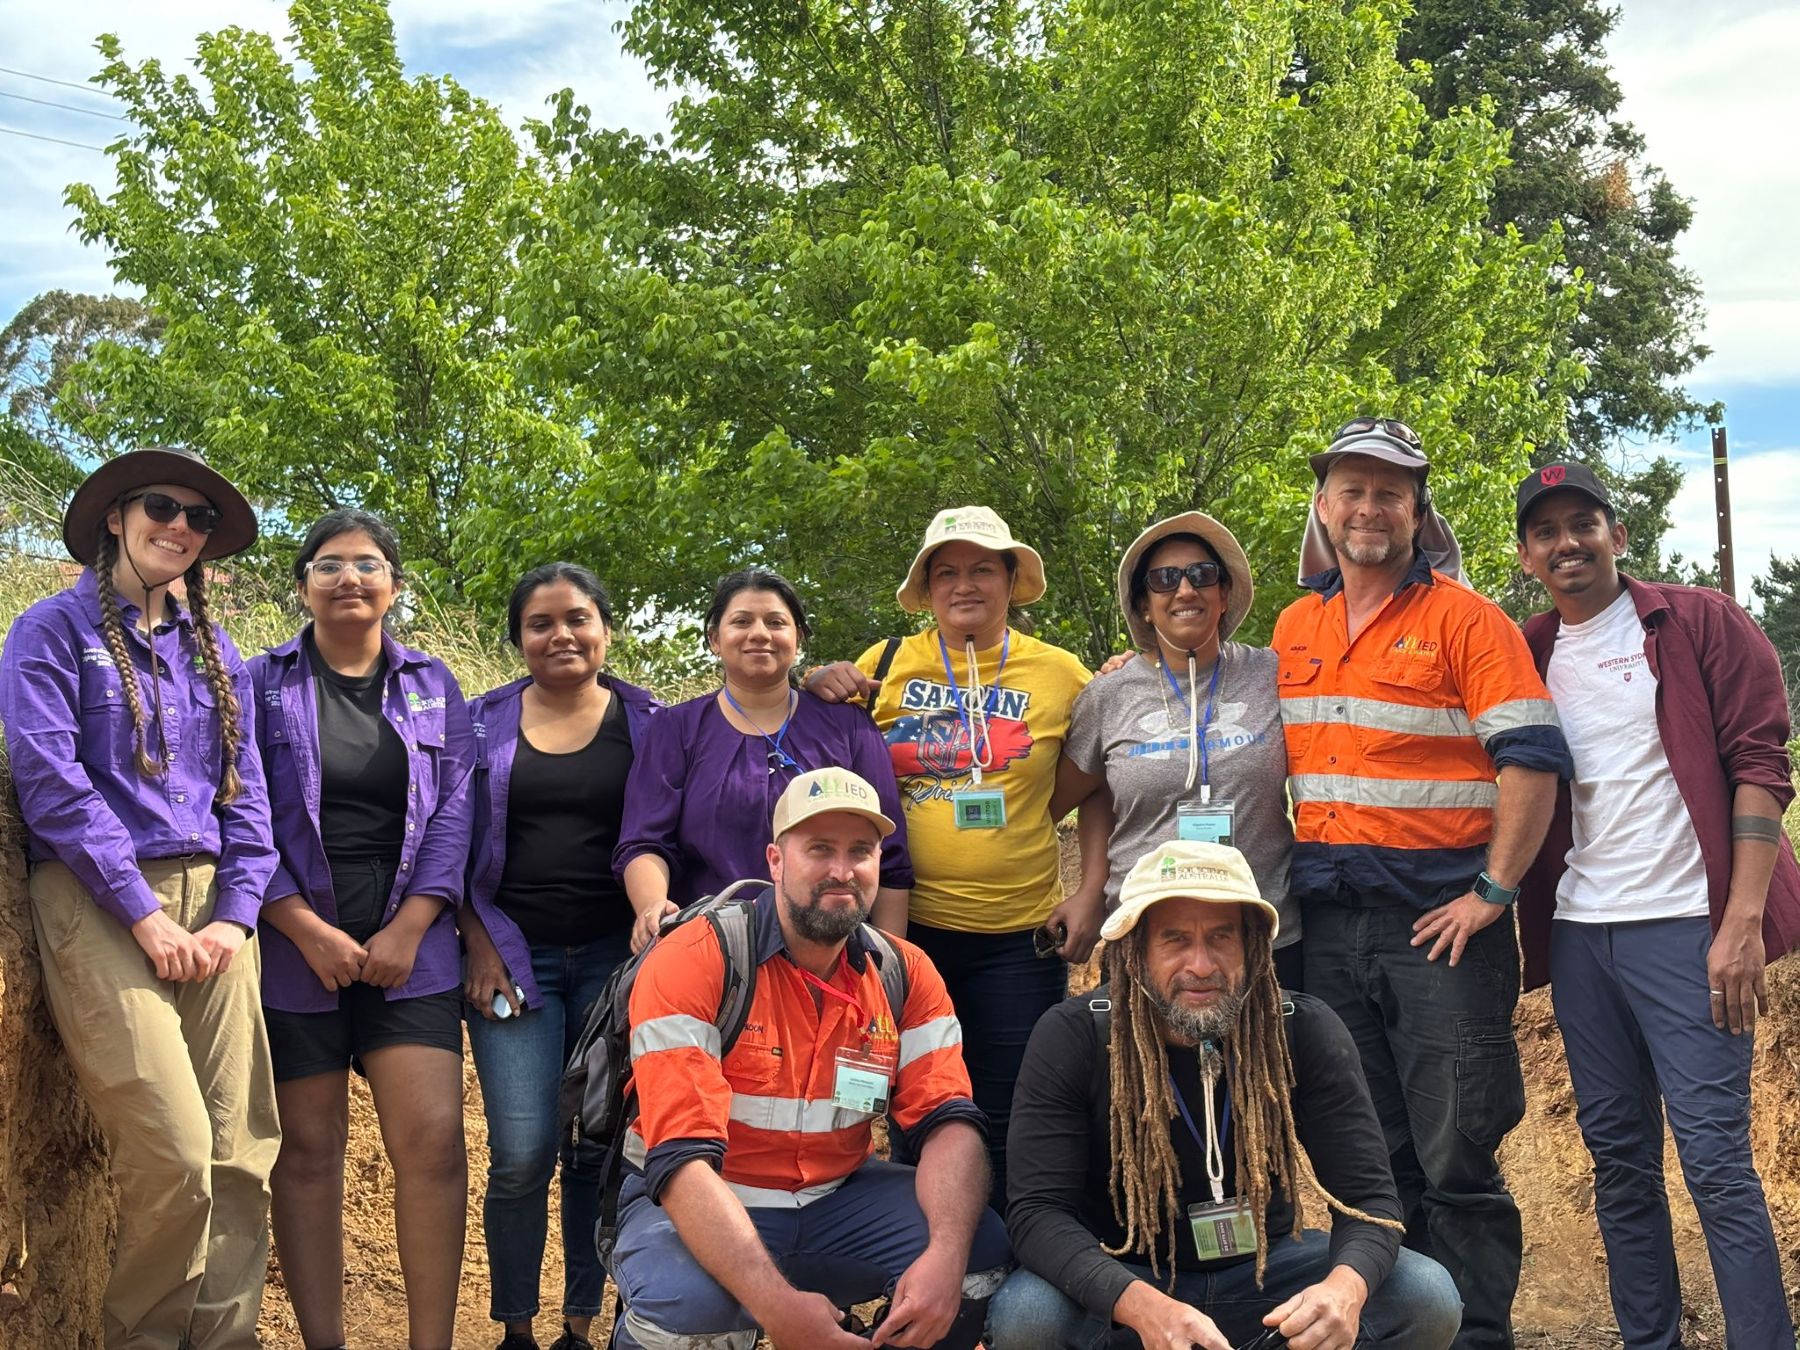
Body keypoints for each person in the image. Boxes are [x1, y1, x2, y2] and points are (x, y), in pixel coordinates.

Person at [1270, 417, 1572, 1350]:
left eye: (1390, 494)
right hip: (1327, 925)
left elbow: (1532, 757)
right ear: (1324, 506)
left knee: (1457, 1158)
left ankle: (1475, 1336)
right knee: (1367, 1152)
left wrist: (1493, 891)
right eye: (1352, 490)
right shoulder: (1295, 625)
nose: (1369, 508)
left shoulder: (1466, 620)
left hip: (1441, 928)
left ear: (1417, 511)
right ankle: (1399, 1328)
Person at [1513, 462, 1800, 1350]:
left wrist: (1741, 925)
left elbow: (1762, 766)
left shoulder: (1700, 621)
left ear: (1618, 534)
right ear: (1526, 556)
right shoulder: (1525, 653)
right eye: (1546, 531)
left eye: (1583, 523)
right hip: (1579, 935)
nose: (1567, 543)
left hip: (1688, 930)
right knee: (1620, 1164)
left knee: (1715, 1163)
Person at [0, 448, 278, 1350]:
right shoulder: (50, 631)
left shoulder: (215, 649)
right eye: (163, 506)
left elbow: (249, 796)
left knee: (240, 1154)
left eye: (200, 518)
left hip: (216, 907)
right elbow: (51, 783)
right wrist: (144, 914)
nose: (181, 527)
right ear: (115, 517)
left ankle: (226, 1339)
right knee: (175, 1152)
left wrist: (235, 913)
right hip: (97, 898)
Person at [993, 840, 1462, 1350]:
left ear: (1252, 947)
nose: (1201, 964)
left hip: (1266, 1276)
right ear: (1134, 951)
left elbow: (1367, 1199)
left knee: (1426, 1294)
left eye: (1221, 937)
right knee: (1028, 1316)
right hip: (1126, 1278)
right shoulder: (1074, 1035)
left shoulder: (1300, 1029)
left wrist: (1342, 1291)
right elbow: (1037, 1213)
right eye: (1175, 939)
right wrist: (1142, 1306)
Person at [611, 766, 1013, 1350]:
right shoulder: (697, 957)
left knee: (980, 1251)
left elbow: (950, 1120)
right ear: (775, 861)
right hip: (698, 1196)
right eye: (820, 848)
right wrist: (779, 1310)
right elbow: (680, 1159)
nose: (842, 871)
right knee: (691, 1309)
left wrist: (948, 1259)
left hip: (835, 1197)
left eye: (860, 851)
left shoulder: (904, 973)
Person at [803, 505, 1109, 1202]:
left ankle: (1000, 1251)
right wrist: (819, 688)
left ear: (1011, 580)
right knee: (912, 1102)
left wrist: (1091, 889)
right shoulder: (884, 665)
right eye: (946, 572)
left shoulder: (1062, 674)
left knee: (1009, 1110)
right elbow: (832, 768)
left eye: (981, 570)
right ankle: (922, 1243)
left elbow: (1097, 783)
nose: (963, 584)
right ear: (927, 586)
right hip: (905, 933)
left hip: (1018, 937)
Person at [249, 509, 474, 1350]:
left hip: (412, 950)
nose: (350, 577)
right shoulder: (257, 683)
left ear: (395, 586)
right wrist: (302, 926)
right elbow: (238, 809)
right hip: (292, 946)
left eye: (369, 563)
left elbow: (456, 811)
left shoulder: (434, 683)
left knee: (434, 1146)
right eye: (330, 563)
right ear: (302, 585)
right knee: (307, 1152)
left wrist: (412, 926)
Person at [461, 563, 660, 1350]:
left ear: (606, 628)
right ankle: (516, 1329)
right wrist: (477, 941)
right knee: (521, 1153)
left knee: (597, 1150)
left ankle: (580, 1323)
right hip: (513, 960)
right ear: (518, 637)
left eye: (578, 618)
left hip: (619, 964)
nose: (561, 635)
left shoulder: (651, 722)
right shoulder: (479, 725)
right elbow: (446, 842)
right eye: (540, 623)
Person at [1062, 511, 1302, 987]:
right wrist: (1090, 889)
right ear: (1144, 606)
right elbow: (1082, 791)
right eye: (1164, 579)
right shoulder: (1109, 695)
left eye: (1202, 574)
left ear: (1224, 594)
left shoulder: (1273, 675)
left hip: (1261, 932)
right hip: (1145, 935)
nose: (1186, 590)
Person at [616, 566, 912, 944]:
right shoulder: (675, 729)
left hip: (832, 949)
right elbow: (645, 841)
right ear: (714, 639)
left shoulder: (848, 727)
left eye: (776, 622)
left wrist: (887, 960)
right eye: (741, 622)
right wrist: (652, 906)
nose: (759, 633)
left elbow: (891, 856)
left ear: (798, 637)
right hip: (708, 944)